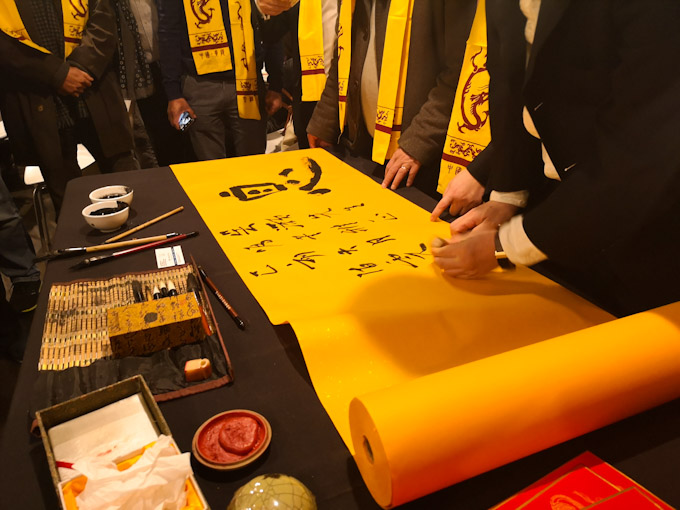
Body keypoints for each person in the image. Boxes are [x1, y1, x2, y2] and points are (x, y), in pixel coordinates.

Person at [431, 0, 680, 317]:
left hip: (647, 224)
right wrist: (508, 195)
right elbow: (511, 79)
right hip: (560, 203)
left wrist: (505, 245)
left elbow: (638, 152)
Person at [304, 0, 476, 199]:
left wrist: (419, 142)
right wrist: (325, 118)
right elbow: (344, 49)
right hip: (362, 146)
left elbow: (462, 73)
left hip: (419, 159)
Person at [0, 0, 139, 213]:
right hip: (40, 101)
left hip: (93, 89)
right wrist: (57, 74)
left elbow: (103, 19)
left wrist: (80, 68)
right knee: (70, 207)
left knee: (128, 186)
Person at [157, 0, 284, 161]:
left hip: (247, 81)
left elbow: (272, 23)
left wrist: (276, 85)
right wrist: (173, 94)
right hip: (199, 86)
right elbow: (168, 33)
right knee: (211, 168)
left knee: (254, 162)